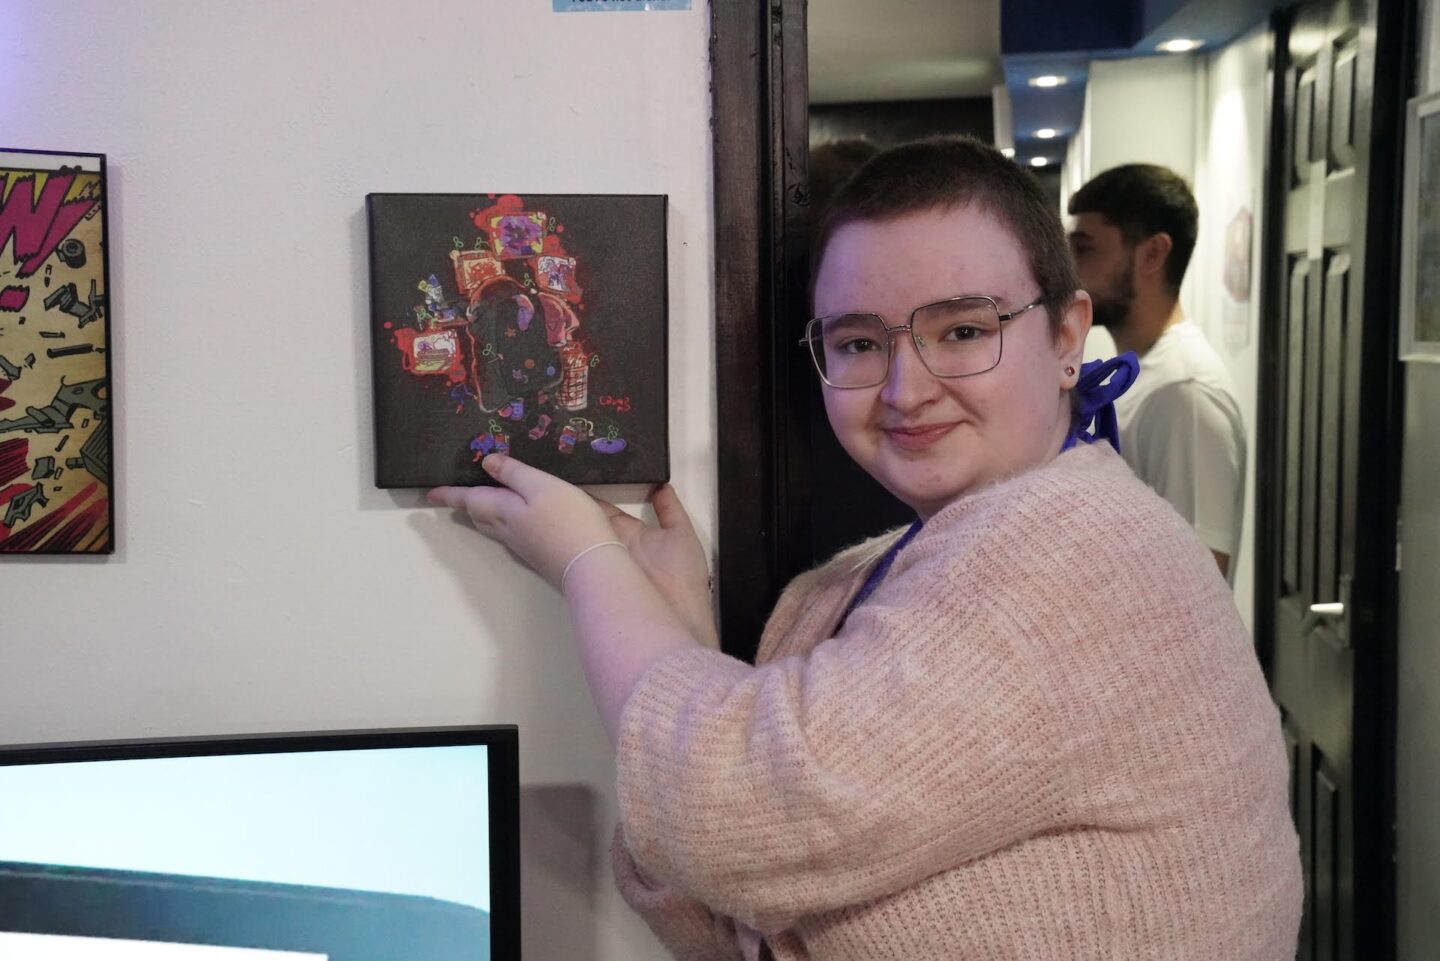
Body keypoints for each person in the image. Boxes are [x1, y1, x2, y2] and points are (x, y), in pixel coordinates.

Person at [429, 137, 1301, 960]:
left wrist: (587, 561)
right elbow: (722, 894)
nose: (905, 388)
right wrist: (680, 626)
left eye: (963, 330)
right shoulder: (860, 580)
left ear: (1067, 335)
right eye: (858, 342)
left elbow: (725, 815)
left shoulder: (1079, 550)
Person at [1067, 164, 1247, 577]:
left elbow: (1198, 579)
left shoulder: (1186, 393)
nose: (1070, 268)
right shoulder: (1147, 376)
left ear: (1152, 254)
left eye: (1084, 249)